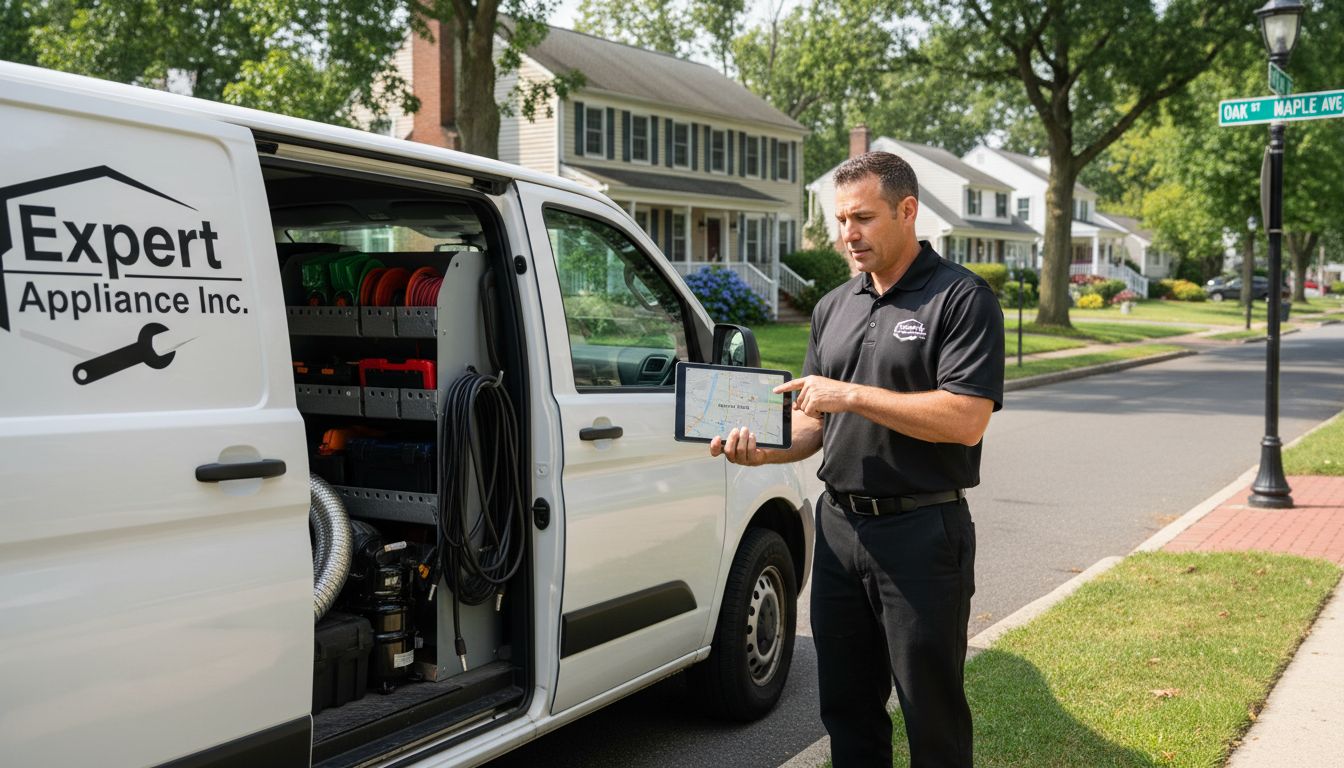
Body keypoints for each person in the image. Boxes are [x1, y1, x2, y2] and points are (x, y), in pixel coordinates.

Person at [710, 151, 1003, 767]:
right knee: (846, 710)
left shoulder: (960, 298)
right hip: (840, 530)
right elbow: (815, 423)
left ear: (907, 210)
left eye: (863, 218)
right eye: (842, 220)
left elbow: (966, 417)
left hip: (922, 533)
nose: (848, 235)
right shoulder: (833, 307)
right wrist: (760, 451)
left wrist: (851, 395)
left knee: (932, 714)